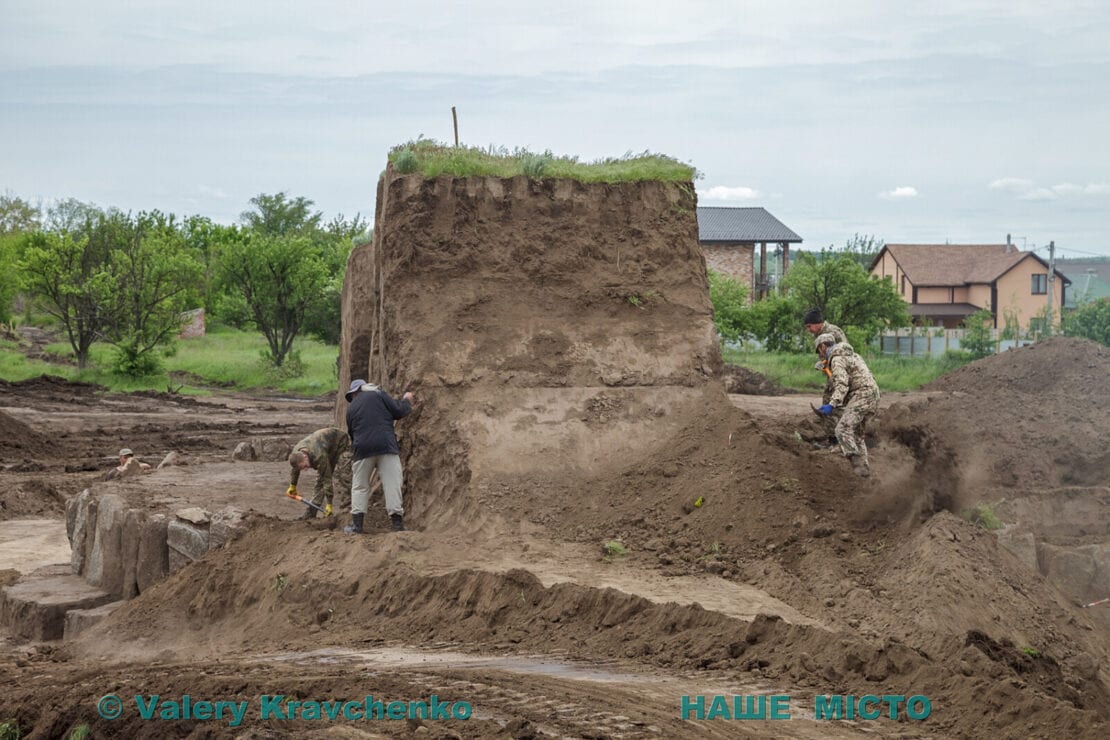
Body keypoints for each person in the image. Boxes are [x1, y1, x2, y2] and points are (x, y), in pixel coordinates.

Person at [344, 378, 414, 534]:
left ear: (354, 393)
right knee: (392, 484)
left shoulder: (351, 409)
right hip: (385, 445)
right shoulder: (378, 394)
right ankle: (397, 525)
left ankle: (357, 526)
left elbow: (352, 434)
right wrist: (407, 400)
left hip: (362, 449)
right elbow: (399, 411)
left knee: (360, 486)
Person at [813, 333, 880, 477]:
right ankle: (865, 474)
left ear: (823, 346)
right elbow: (849, 379)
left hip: (862, 395)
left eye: (819, 350)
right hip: (873, 394)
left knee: (842, 429)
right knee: (857, 436)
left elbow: (842, 385)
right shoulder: (852, 355)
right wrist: (828, 371)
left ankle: (857, 463)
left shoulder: (837, 359)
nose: (820, 354)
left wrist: (831, 404)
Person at [287, 428, 351, 519]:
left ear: (305, 457)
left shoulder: (319, 455)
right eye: (302, 468)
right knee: (320, 480)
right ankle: (312, 511)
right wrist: (292, 485)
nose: (305, 469)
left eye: (305, 466)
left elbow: (327, 479)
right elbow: (295, 469)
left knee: (334, 475)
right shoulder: (296, 453)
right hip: (323, 444)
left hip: (339, 441)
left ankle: (349, 504)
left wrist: (329, 504)